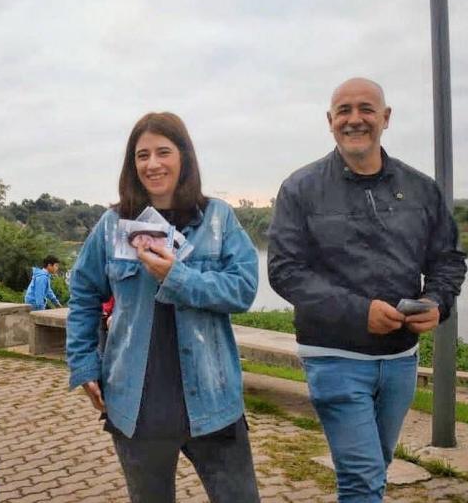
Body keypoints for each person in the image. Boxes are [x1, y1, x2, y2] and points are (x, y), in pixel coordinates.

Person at [268, 77, 467, 502]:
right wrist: (358, 311)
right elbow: (285, 271)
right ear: (330, 121)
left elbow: (448, 260)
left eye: (365, 109)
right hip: (334, 357)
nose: (354, 119)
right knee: (363, 479)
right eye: (344, 111)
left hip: (400, 361)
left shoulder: (420, 189)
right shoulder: (300, 189)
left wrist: (437, 301)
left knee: (374, 467)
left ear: (386, 118)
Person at [67, 112, 261, 503]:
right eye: (142, 155)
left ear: (184, 157)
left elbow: (243, 290)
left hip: (212, 397)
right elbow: (83, 294)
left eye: (163, 152)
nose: (152, 164)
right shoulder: (112, 225)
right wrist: (83, 364)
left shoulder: (218, 219)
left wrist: (178, 276)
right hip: (135, 404)